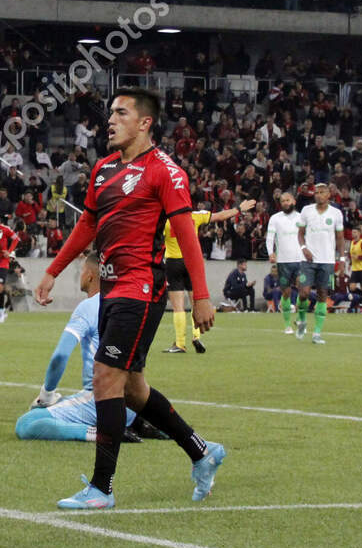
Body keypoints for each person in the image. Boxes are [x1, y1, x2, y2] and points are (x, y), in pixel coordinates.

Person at [34, 89, 226, 509]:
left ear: (145, 123)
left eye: (121, 113)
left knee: (105, 376)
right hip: (111, 287)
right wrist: (52, 269)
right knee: (134, 389)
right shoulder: (102, 169)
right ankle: (202, 451)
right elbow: (87, 225)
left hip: (141, 287)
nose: (111, 120)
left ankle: (102, 489)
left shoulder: (166, 172)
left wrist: (202, 295)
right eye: (111, 114)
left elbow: (187, 236)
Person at [16, 254, 159, 443]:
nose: (80, 275)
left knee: (26, 424)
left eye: (82, 270)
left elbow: (60, 355)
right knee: (66, 401)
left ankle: (101, 433)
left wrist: (46, 395)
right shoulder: (126, 304)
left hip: (100, 399)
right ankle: (136, 423)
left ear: (91, 276)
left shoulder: (88, 306)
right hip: (132, 400)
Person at [164, 197, 256, 352]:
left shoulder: (165, 220)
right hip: (191, 261)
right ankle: (196, 336)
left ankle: (180, 343)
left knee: (178, 306)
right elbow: (220, 216)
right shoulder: (194, 216)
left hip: (173, 262)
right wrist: (239, 209)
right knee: (196, 303)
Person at [297, 183, 345, 344]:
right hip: (308, 260)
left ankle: (317, 333)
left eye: (322, 192)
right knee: (303, 293)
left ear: (328, 194)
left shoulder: (336, 213)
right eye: (316, 192)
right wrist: (304, 248)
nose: (318, 195)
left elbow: (340, 238)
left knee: (323, 295)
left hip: (327, 261)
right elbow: (300, 233)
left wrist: (342, 259)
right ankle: (302, 320)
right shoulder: (306, 210)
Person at [266, 191, 306, 334]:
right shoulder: (275, 219)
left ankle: (301, 320)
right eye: (283, 201)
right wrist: (271, 252)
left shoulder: (302, 217)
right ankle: (287, 325)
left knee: (303, 292)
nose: (285, 203)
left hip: (300, 260)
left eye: (288, 200)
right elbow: (270, 237)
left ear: (294, 201)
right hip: (283, 261)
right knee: (286, 293)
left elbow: (309, 236)